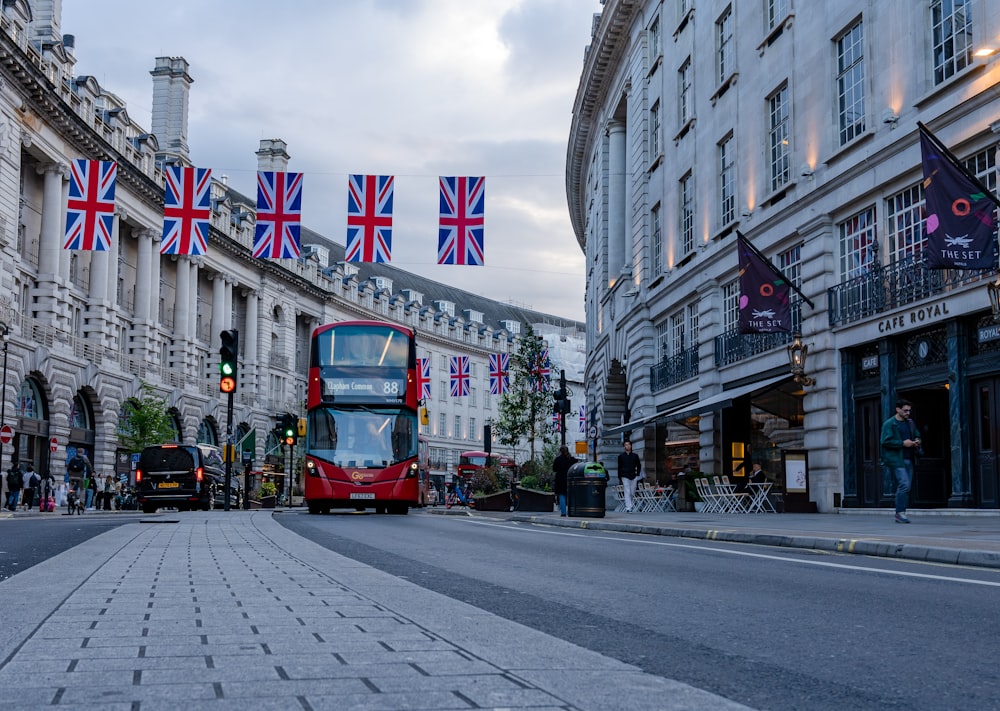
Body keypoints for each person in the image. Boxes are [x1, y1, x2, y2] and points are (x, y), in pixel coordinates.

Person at [880, 398, 921, 524]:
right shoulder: (890, 424)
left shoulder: (910, 423)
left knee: (906, 486)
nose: (908, 413)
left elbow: (917, 434)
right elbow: (885, 441)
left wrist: (917, 441)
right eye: (905, 410)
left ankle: (901, 512)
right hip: (897, 460)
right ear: (898, 410)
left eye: (909, 410)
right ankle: (900, 513)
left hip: (909, 459)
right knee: (904, 484)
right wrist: (902, 443)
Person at [552, 445, 578, 517]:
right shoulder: (571, 459)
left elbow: (554, 469)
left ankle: (563, 512)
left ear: (560, 451)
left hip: (560, 479)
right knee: (570, 495)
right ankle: (571, 511)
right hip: (570, 479)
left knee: (562, 495)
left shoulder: (558, 459)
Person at [617, 440, 642, 513]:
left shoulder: (635, 456)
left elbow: (639, 465)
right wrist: (619, 476)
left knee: (632, 491)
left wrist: (638, 474)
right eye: (626, 445)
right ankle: (628, 507)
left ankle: (629, 504)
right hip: (624, 475)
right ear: (624, 446)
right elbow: (619, 467)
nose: (627, 446)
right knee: (627, 491)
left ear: (631, 446)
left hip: (633, 475)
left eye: (628, 444)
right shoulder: (621, 456)